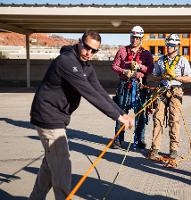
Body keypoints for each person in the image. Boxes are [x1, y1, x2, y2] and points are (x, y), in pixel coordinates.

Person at [29, 30, 134, 200]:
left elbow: (98, 91)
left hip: (58, 117)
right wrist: (117, 117)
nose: (89, 53)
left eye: (94, 51)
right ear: (79, 42)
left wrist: (122, 113)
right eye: (86, 47)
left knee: (51, 164)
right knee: (62, 166)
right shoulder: (66, 62)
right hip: (47, 116)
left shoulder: (86, 67)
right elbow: (88, 93)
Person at [148, 34, 191, 161]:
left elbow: (190, 78)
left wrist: (176, 77)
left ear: (177, 47)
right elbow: (154, 76)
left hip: (176, 91)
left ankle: (173, 150)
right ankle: (155, 149)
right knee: (158, 119)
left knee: (174, 120)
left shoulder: (182, 60)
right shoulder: (161, 60)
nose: (168, 48)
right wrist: (162, 77)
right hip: (162, 90)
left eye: (171, 46)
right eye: (167, 45)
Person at [111, 25, 153, 149]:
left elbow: (150, 68)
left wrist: (140, 67)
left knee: (140, 114)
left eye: (137, 38)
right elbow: (114, 66)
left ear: (141, 39)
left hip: (139, 87)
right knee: (121, 113)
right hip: (124, 86)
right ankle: (118, 140)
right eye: (132, 37)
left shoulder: (146, 54)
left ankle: (139, 140)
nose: (134, 40)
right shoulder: (122, 51)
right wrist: (124, 71)